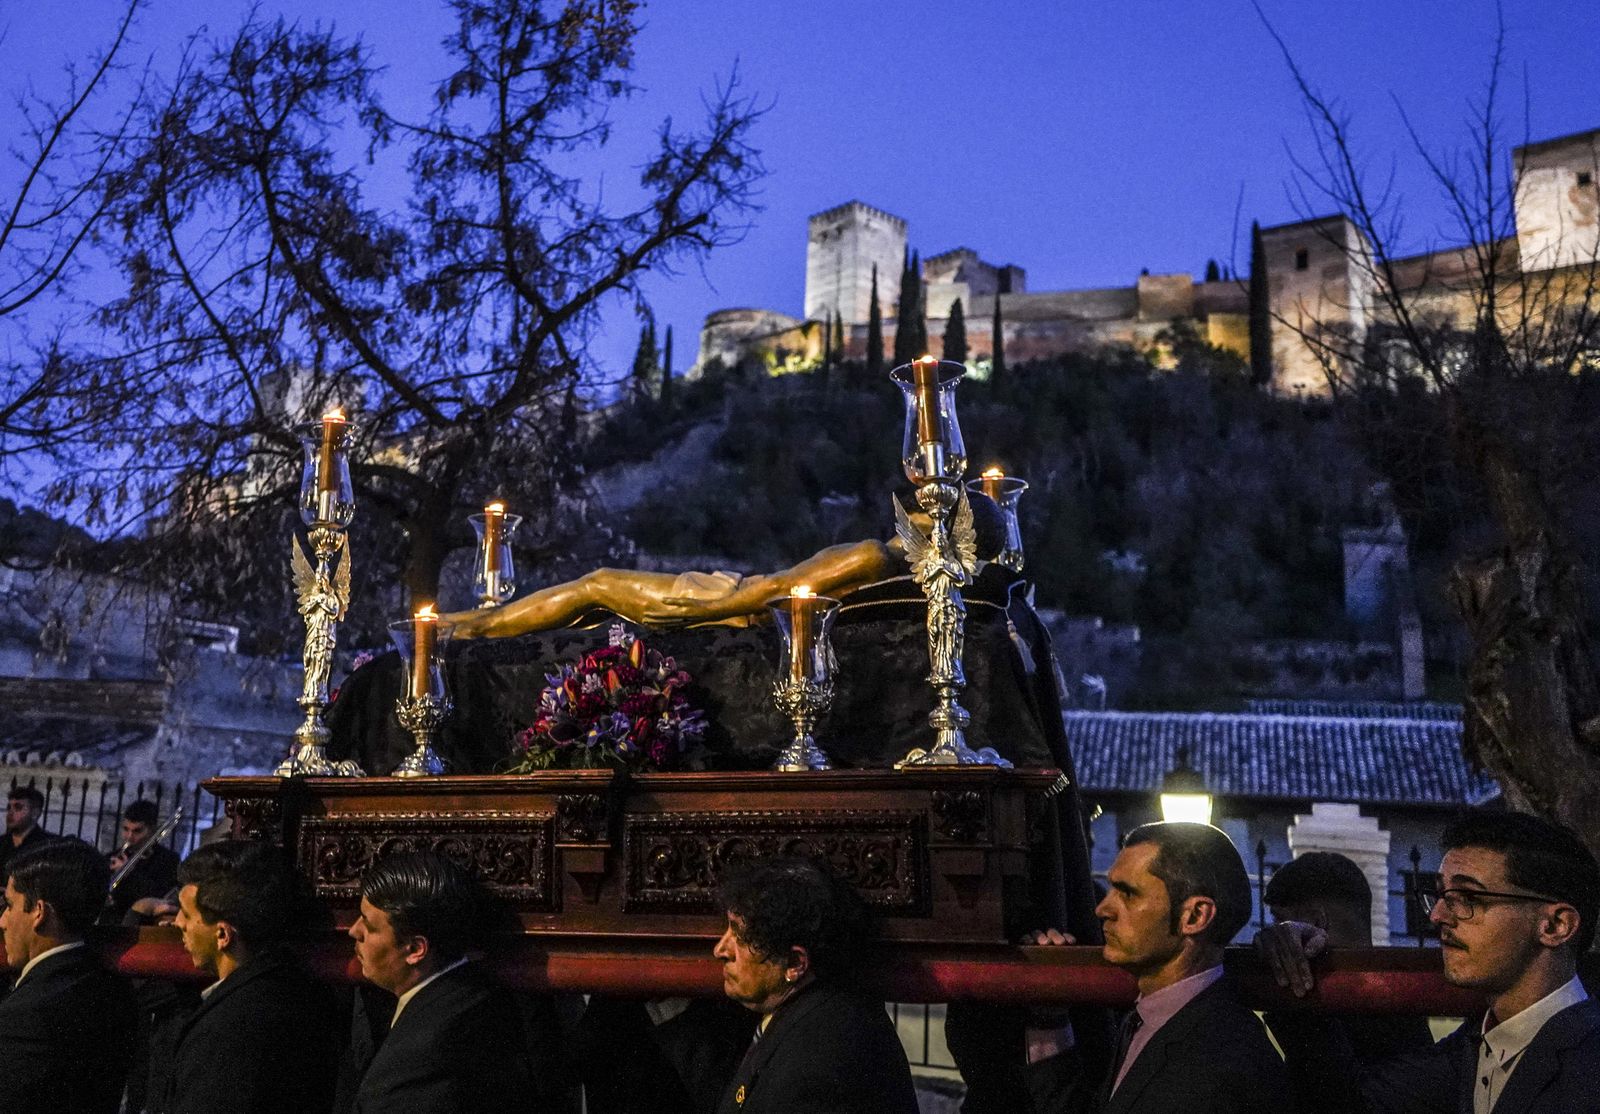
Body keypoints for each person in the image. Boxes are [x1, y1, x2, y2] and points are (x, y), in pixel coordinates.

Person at [1266, 811, 1600, 1114]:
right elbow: (1352, 1102)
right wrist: (1295, 967)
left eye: (1469, 898)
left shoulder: (1586, 1060)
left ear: (1555, 926)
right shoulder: (1470, 1049)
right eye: (1440, 896)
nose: (1438, 916)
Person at [443, 495, 1008, 637]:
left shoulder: (868, 556)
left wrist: (703, 614)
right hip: (728, 593)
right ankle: (471, 624)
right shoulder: (880, 561)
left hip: (725, 599)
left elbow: (784, 591)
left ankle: (476, 627)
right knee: (592, 602)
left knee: (596, 586)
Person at [1086, 821, 1291, 1113]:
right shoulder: (1150, 1019)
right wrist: (1050, 1024)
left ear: (1195, 916)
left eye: (1128, 894)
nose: (1103, 908)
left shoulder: (1224, 1059)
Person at [711, 857, 918, 1114]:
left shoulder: (822, 1058)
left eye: (740, 938)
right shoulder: (809, 1012)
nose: (720, 950)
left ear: (796, 963)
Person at [153, 840, 339, 1114]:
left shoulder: (229, 1027)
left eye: (187, 913)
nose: (178, 922)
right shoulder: (298, 988)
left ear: (223, 935)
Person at [347, 850, 537, 1113]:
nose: (353, 931)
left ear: (415, 949)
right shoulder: (475, 996)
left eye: (369, 925)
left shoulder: (414, 1066)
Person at [1254, 851, 1436, 1113]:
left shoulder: (1371, 1009)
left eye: (1279, 920)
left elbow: (1340, 1100)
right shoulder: (1396, 999)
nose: (1276, 934)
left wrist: (1295, 992)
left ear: (1317, 921)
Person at [0, 838, 137, 1114]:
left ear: (39, 912)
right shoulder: (114, 988)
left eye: (9, 905)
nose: (2, 920)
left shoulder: (26, 1014)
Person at [108, 798, 180, 919]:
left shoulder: (168, 860)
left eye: (137, 831)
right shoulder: (112, 857)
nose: (129, 837)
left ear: (152, 830)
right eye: (126, 829)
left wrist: (129, 874)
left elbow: (162, 897)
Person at [0, 786, 52, 880]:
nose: (10, 813)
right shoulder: (2, 843)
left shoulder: (46, 846)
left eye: (18, 807)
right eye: (9, 807)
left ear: (35, 813)